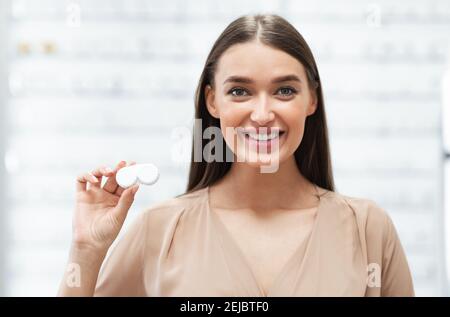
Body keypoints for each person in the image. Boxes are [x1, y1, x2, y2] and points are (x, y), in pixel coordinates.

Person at [58, 13, 414, 297]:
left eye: (285, 90)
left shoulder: (368, 229)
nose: (261, 114)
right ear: (213, 101)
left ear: (312, 100)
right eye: (240, 91)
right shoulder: (159, 230)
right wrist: (86, 250)